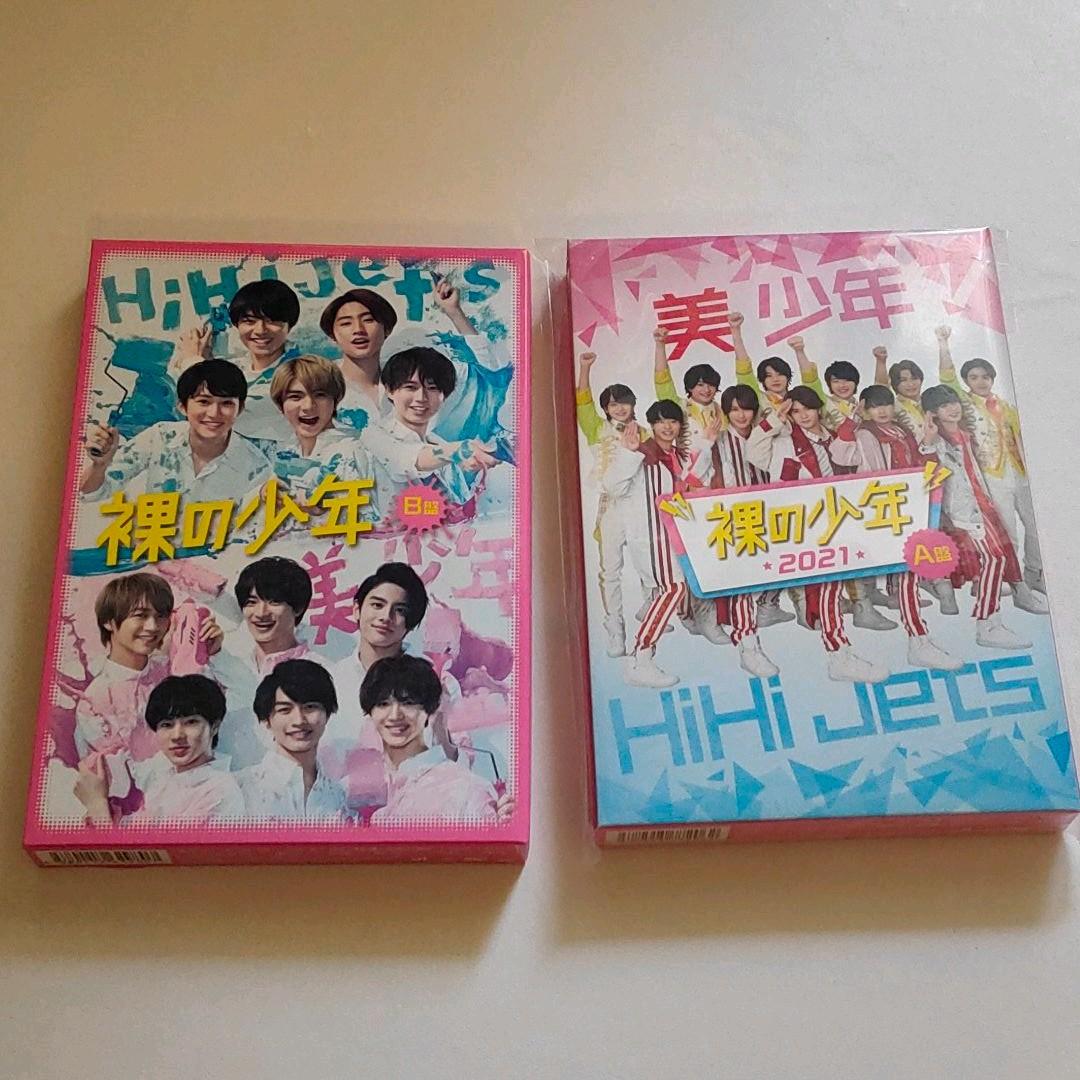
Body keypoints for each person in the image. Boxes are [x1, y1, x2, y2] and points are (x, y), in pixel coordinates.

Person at [747, 387, 890, 683]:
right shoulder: (783, 441)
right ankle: (839, 654)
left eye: (807, 409)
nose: (803, 416)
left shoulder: (833, 437)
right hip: (803, 525)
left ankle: (840, 654)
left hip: (836, 520)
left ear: (818, 409)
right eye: (796, 411)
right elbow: (754, 452)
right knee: (825, 587)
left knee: (831, 588)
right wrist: (775, 419)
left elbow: (852, 462)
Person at [575, 327, 680, 656]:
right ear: (606, 408)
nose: (619, 408)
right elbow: (583, 402)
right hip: (610, 506)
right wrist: (585, 368)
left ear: (633, 404)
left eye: (623, 402)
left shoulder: (648, 431)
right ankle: (614, 628)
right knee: (610, 570)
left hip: (642, 505)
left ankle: (651, 607)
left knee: (649, 560)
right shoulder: (596, 428)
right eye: (612, 404)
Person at [617, 400, 736, 687]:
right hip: (652, 534)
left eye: (672, 421)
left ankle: (643, 654)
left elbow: (691, 479)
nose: (667, 427)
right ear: (651, 425)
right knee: (674, 588)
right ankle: (640, 658)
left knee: (677, 586)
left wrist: (706, 442)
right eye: (660, 421)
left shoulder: (675, 455)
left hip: (673, 534)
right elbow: (613, 485)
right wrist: (628, 454)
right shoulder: (643, 454)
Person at [319, 275, 512, 442]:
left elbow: (486, 371)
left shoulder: (410, 374)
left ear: (386, 329)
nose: (358, 330)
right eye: (346, 323)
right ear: (332, 336)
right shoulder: (318, 383)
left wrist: (454, 312)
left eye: (368, 320)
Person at [919, 385, 1039, 648]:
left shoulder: (964, 434)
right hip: (965, 511)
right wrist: (928, 440)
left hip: (983, 503)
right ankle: (987, 624)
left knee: (999, 557)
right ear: (933, 413)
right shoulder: (937, 442)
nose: (952, 408)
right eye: (943, 406)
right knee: (994, 558)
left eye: (953, 402)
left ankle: (991, 621)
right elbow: (925, 467)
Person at [852, 386, 962, 671]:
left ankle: (919, 639)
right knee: (906, 574)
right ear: (866, 410)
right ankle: (918, 641)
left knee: (909, 573)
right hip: (888, 509)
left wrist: (927, 442)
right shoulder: (866, 434)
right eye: (875, 406)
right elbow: (874, 475)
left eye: (886, 404)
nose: (882, 411)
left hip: (909, 504)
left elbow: (920, 465)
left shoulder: (900, 430)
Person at [936, 325, 1047, 598]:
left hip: (1019, 472)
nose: (981, 382)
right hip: (990, 475)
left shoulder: (1006, 406)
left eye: (985, 377)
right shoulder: (965, 404)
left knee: (1036, 525)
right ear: (967, 381)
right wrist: (943, 344)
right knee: (1007, 530)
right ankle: (1011, 578)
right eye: (974, 377)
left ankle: (1033, 572)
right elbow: (948, 378)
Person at [75, 573, 222, 765]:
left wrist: (211, 652)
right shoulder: (95, 701)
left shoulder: (172, 668)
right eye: (140, 616)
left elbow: (218, 721)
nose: (152, 627)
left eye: (160, 616)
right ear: (109, 622)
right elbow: (117, 775)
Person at [81, 359, 273, 502]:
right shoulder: (160, 436)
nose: (214, 413)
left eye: (226, 403)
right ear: (182, 406)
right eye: (203, 402)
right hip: (154, 540)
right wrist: (99, 465)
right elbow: (90, 493)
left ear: (240, 408)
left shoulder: (256, 466)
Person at [74, 674, 243, 825]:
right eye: (166, 725)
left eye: (191, 722)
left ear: (214, 727)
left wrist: (97, 806)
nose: (177, 735)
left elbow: (167, 850)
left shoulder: (219, 792)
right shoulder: (161, 779)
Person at [363, 347, 498, 522]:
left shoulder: (438, 443)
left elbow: (459, 506)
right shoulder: (373, 435)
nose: (421, 397)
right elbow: (406, 460)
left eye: (432, 388)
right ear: (389, 390)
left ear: (444, 395)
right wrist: (458, 451)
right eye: (410, 387)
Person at [363, 656, 499, 822]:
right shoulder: (374, 797)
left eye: (408, 703)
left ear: (431, 709)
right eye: (383, 704)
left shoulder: (467, 789)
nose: (394, 715)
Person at [211, 557, 315, 770]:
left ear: (298, 608)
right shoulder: (226, 666)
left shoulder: (317, 672)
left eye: (274, 602)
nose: (261, 613)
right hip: (229, 784)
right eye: (251, 602)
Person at [170, 279, 301, 443]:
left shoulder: (301, 374)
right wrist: (205, 365)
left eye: (272, 321)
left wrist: (193, 363)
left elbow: (227, 413)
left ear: (290, 325)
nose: (260, 330)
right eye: (249, 321)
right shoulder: (237, 367)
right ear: (237, 325)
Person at [238, 659, 350, 820]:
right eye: (285, 710)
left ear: (327, 714)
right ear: (266, 720)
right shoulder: (242, 788)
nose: (299, 720)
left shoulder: (338, 797)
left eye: (310, 707)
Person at [267, 354, 373, 498]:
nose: (308, 406)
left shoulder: (348, 451)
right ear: (281, 405)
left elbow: (363, 509)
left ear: (335, 400)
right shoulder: (288, 452)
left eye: (320, 395)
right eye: (295, 397)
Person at [731, 310, 791, 415]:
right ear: (762, 380)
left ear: (788, 377)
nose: (775, 379)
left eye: (780, 374)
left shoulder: (799, 399)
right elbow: (744, 371)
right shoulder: (758, 398)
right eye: (769, 376)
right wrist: (735, 330)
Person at [787, 334, 860, 419]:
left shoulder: (863, 406)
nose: (842, 385)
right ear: (829, 384)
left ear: (856, 382)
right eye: (836, 381)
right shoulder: (824, 402)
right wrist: (799, 351)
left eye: (847, 380)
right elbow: (811, 381)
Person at [873, 346, 927, 441]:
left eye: (914, 378)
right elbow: (881, 386)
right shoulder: (893, 405)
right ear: (895, 383)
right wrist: (881, 362)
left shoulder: (930, 402)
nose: (910, 384)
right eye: (903, 380)